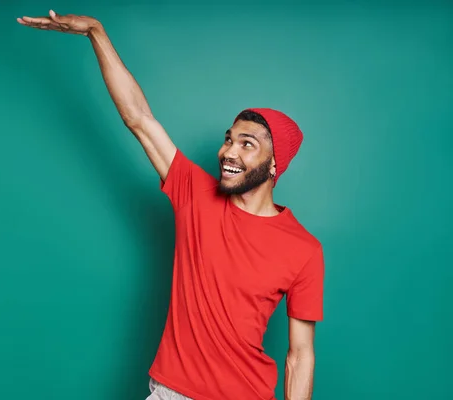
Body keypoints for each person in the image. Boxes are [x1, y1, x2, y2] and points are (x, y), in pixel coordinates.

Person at [18, 9, 324, 400]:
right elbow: (139, 118)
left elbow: (300, 356)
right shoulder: (195, 193)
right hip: (171, 393)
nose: (229, 151)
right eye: (229, 139)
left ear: (274, 164)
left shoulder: (304, 250)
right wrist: (96, 32)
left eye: (248, 145)